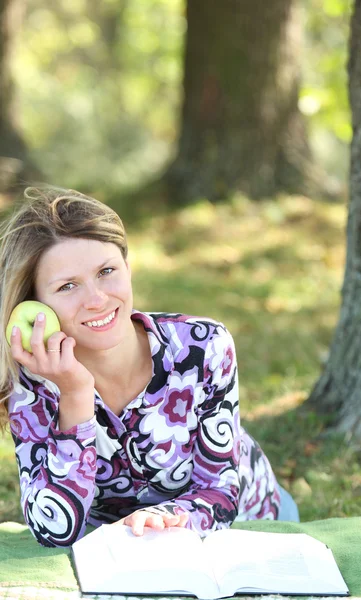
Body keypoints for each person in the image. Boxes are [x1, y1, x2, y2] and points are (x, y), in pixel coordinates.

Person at [0, 186, 299, 548]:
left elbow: (220, 489)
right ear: (35, 305)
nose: (97, 299)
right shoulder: (32, 382)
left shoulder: (204, 347)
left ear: (128, 268)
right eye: (67, 286)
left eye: (106, 271)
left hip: (244, 527)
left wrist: (161, 520)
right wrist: (75, 395)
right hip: (125, 552)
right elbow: (52, 531)